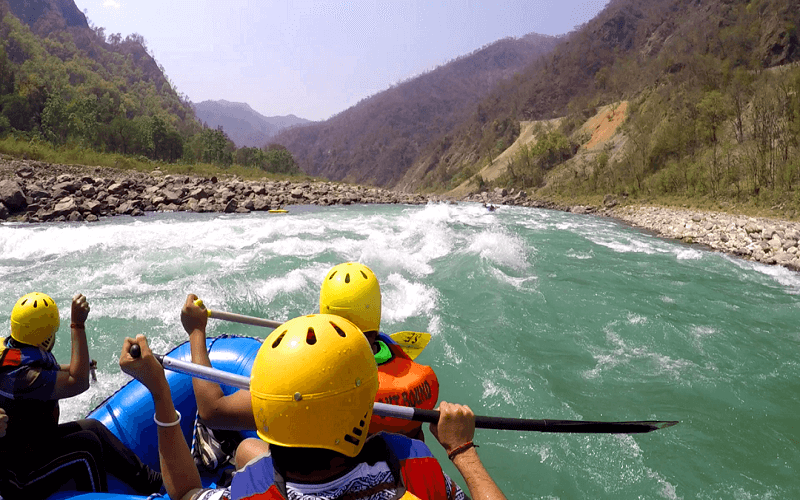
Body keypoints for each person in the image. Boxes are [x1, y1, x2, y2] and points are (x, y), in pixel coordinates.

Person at [120, 314, 507, 500]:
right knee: (246, 452)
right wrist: (461, 450)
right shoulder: (415, 464)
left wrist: (159, 391)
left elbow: (186, 492)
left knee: (244, 452)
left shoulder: (250, 494)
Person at [182, 262, 438, 443]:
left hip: (334, 483)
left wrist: (196, 332)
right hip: (393, 479)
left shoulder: (313, 382)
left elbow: (213, 411)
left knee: (247, 450)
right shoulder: (411, 371)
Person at [0, 292, 163, 498]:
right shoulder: (23, 376)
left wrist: (78, 366)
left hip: (31, 447)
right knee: (87, 447)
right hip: (17, 477)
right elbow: (78, 383)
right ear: (46, 337)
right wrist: (77, 325)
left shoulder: (13, 352)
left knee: (93, 427)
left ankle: (152, 482)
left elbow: (45, 371)